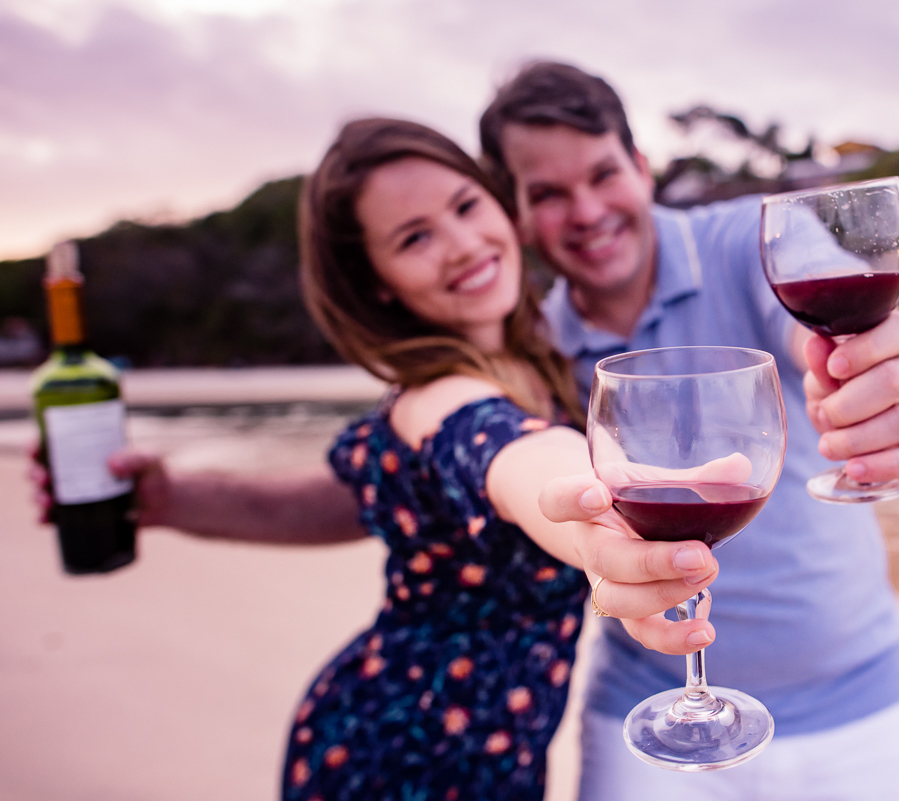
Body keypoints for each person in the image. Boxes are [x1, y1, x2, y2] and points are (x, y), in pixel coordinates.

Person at [30, 119, 722, 800]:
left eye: (464, 206)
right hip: (405, 753)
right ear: (378, 282)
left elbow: (343, 501)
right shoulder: (439, 396)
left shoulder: (537, 359)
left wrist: (174, 496)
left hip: (491, 749)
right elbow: (510, 459)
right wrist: (596, 520)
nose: (459, 244)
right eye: (415, 237)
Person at [478, 62, 899, 800]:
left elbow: (814, 332)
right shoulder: (534, 342)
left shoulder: (746, 240)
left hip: (865, 706)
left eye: (604, 174)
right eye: (547, 194)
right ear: (514, 211)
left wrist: (876, 380)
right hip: (647, 724)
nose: (586, 210)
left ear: (641, 168)